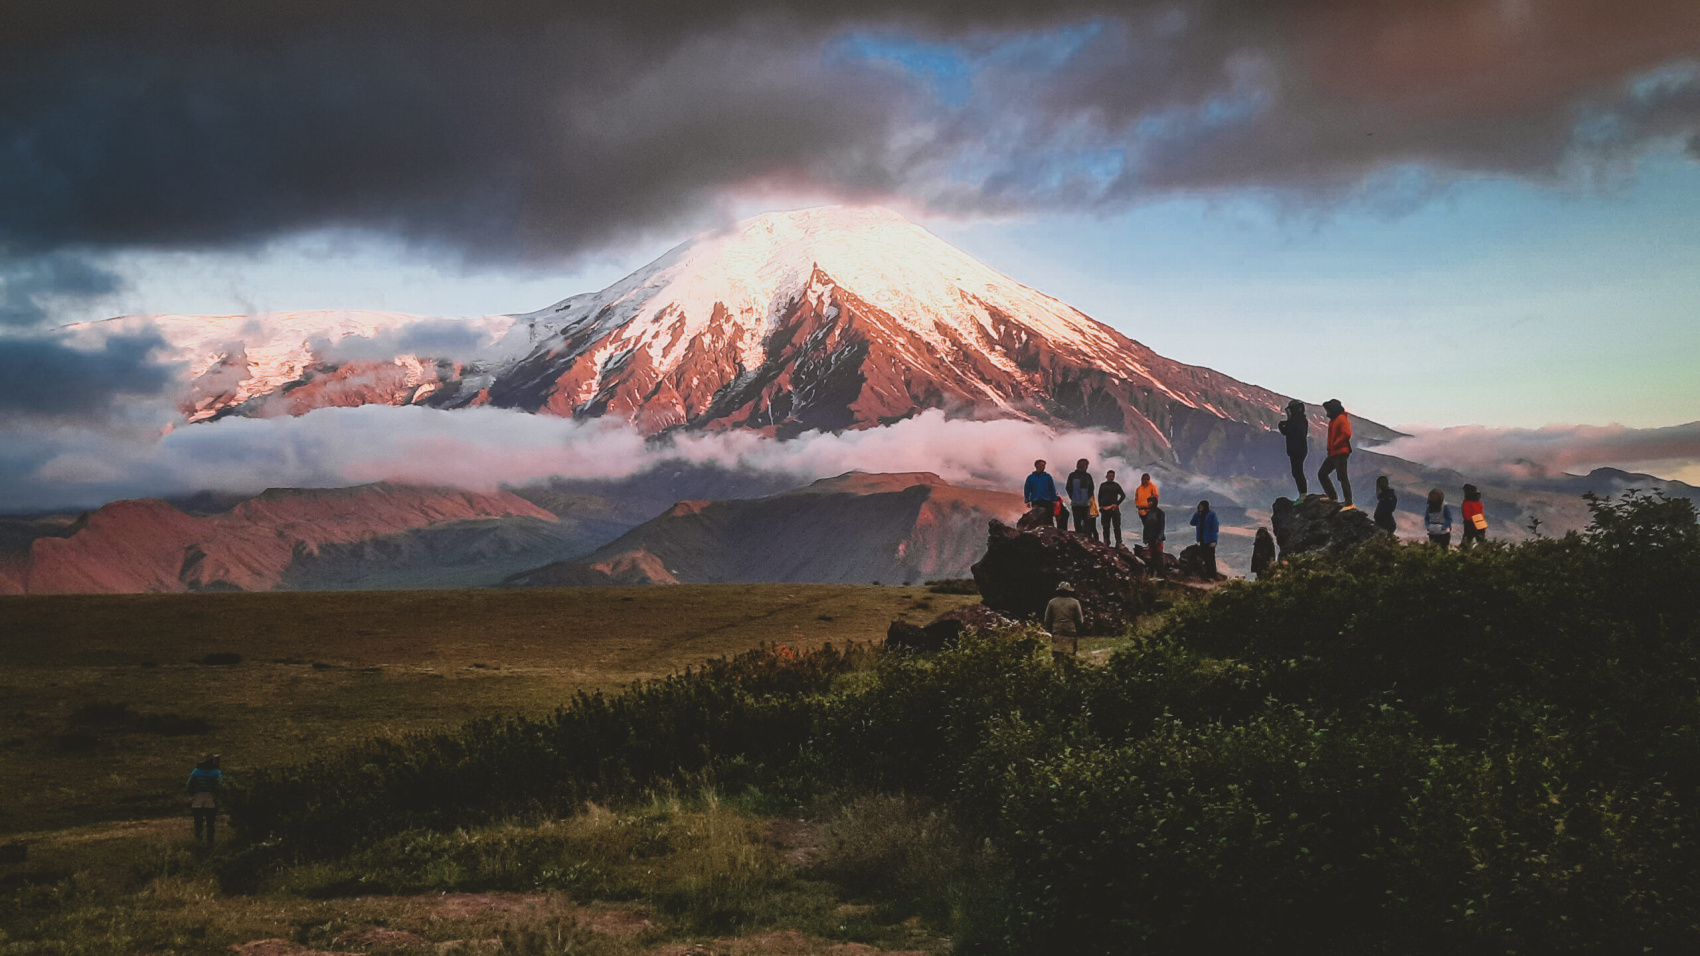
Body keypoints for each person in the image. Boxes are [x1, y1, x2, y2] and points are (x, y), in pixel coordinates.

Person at [1317, 398, 1353, 507]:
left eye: (1328, 410)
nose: (1327, 412)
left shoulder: (1341, 418)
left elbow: (1347, 433)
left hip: (1340, 452)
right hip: (1334, 452)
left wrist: (1336, 444)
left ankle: (1348, 502)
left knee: (1342, 477)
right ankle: (1333, 497)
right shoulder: (1334, 420)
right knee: (1322, 473)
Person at [186, 754, 222, 845]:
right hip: (211, 798)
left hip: (197, 798)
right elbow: (220, 786)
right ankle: (210, 842)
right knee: (210, 823)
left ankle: (199, 841)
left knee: (198, 822)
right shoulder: (217, 772)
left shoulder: (196, 771)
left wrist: (192, 794)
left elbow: (189, 785)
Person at [1277, 399, 1309, 497]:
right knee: (1298, 472)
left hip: (1296, 449)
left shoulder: (1295, 420)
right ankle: (1302, 494)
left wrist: (1281, 425)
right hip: (1301, 449)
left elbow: (1286, 431)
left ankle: (1303, 494)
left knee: (1297, 472)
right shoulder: (1302, 419)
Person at [1043, 581, 1084, 656]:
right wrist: (1077, 629)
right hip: (1070, 631)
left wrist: (1049, 630)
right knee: (1070, 655)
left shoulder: (1052, 602)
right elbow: (1079, 620)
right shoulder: (1075, 602)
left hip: (1057, 631)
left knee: (1057, 656)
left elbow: (1047, 620)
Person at [1066, 459, 1097, 540]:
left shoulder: (1073, 475)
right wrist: (1086, 497)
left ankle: (1081, 535)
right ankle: (1084, 536)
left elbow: (1068, 488)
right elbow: (1091, 488)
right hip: (1082, 502)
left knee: (1079, 520)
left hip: (1079, 502)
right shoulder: (1085, 476)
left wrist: (1072, 497)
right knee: (1083, 520)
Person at [1022, 460, 1059, 528]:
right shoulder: (1031, 477)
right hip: (1036, 500)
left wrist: (1054, 499)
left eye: (1044, 465)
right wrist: (1027, 500)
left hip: (1047, 500)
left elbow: (1052, 488)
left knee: (1049, 517)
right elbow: (1027, 489)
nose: (1043, 467)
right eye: (1042, 465)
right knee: (1037, 517)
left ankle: (1051, 531)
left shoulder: (1048, 477)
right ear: (1036, 466)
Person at [1190, 499, 1220, 578]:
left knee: (1210, 558)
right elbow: (1192, 522)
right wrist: (1197, 513)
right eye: (1199, 506)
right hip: (1202, 539)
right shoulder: (1199, 515)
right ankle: (1206, 574)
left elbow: (1215, 528)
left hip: (1209, 539)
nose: (1200, 508)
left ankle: (1212, 575)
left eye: (1202, 506)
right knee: (1204, 557)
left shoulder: (1212, 515)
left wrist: (1214, 540)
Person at [1098, 470, 1126, 547]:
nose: (1111, 477)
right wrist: (1100, 506)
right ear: (1106, 476)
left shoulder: (1116, 485)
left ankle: (1118, 542)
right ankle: (1106, 541)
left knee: (1116, 526)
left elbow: (1123, 495)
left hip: (1114, 509)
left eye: (1112, 476)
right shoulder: (1103, 485)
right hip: (1105, 509)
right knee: (1105, 526)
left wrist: (1117, 504)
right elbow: (1100, 496)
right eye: (1110, 476)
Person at [1142, 497, 1167, 576]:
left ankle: (1161, 574)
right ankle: (1152, 573)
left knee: (1159, 556)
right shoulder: (1148, 513)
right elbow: (1146, 526)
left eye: (1151, 502)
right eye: (1148, 501)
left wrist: (1159, 538)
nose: (1149, 503)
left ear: (1155, 502)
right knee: (1152, 556)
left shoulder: (1160, 513)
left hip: (1157, 539)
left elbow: (1162, 526)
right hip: (1150, 538)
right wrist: (1145, 538)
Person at [1460, 484, 1487, 550]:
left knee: (1466, 543)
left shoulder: (1466, 503)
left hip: (1470, 524)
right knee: (1481, 542)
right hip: (1480, 522)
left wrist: (1469, 522)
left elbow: (1466, 516)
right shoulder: (1478, 502)